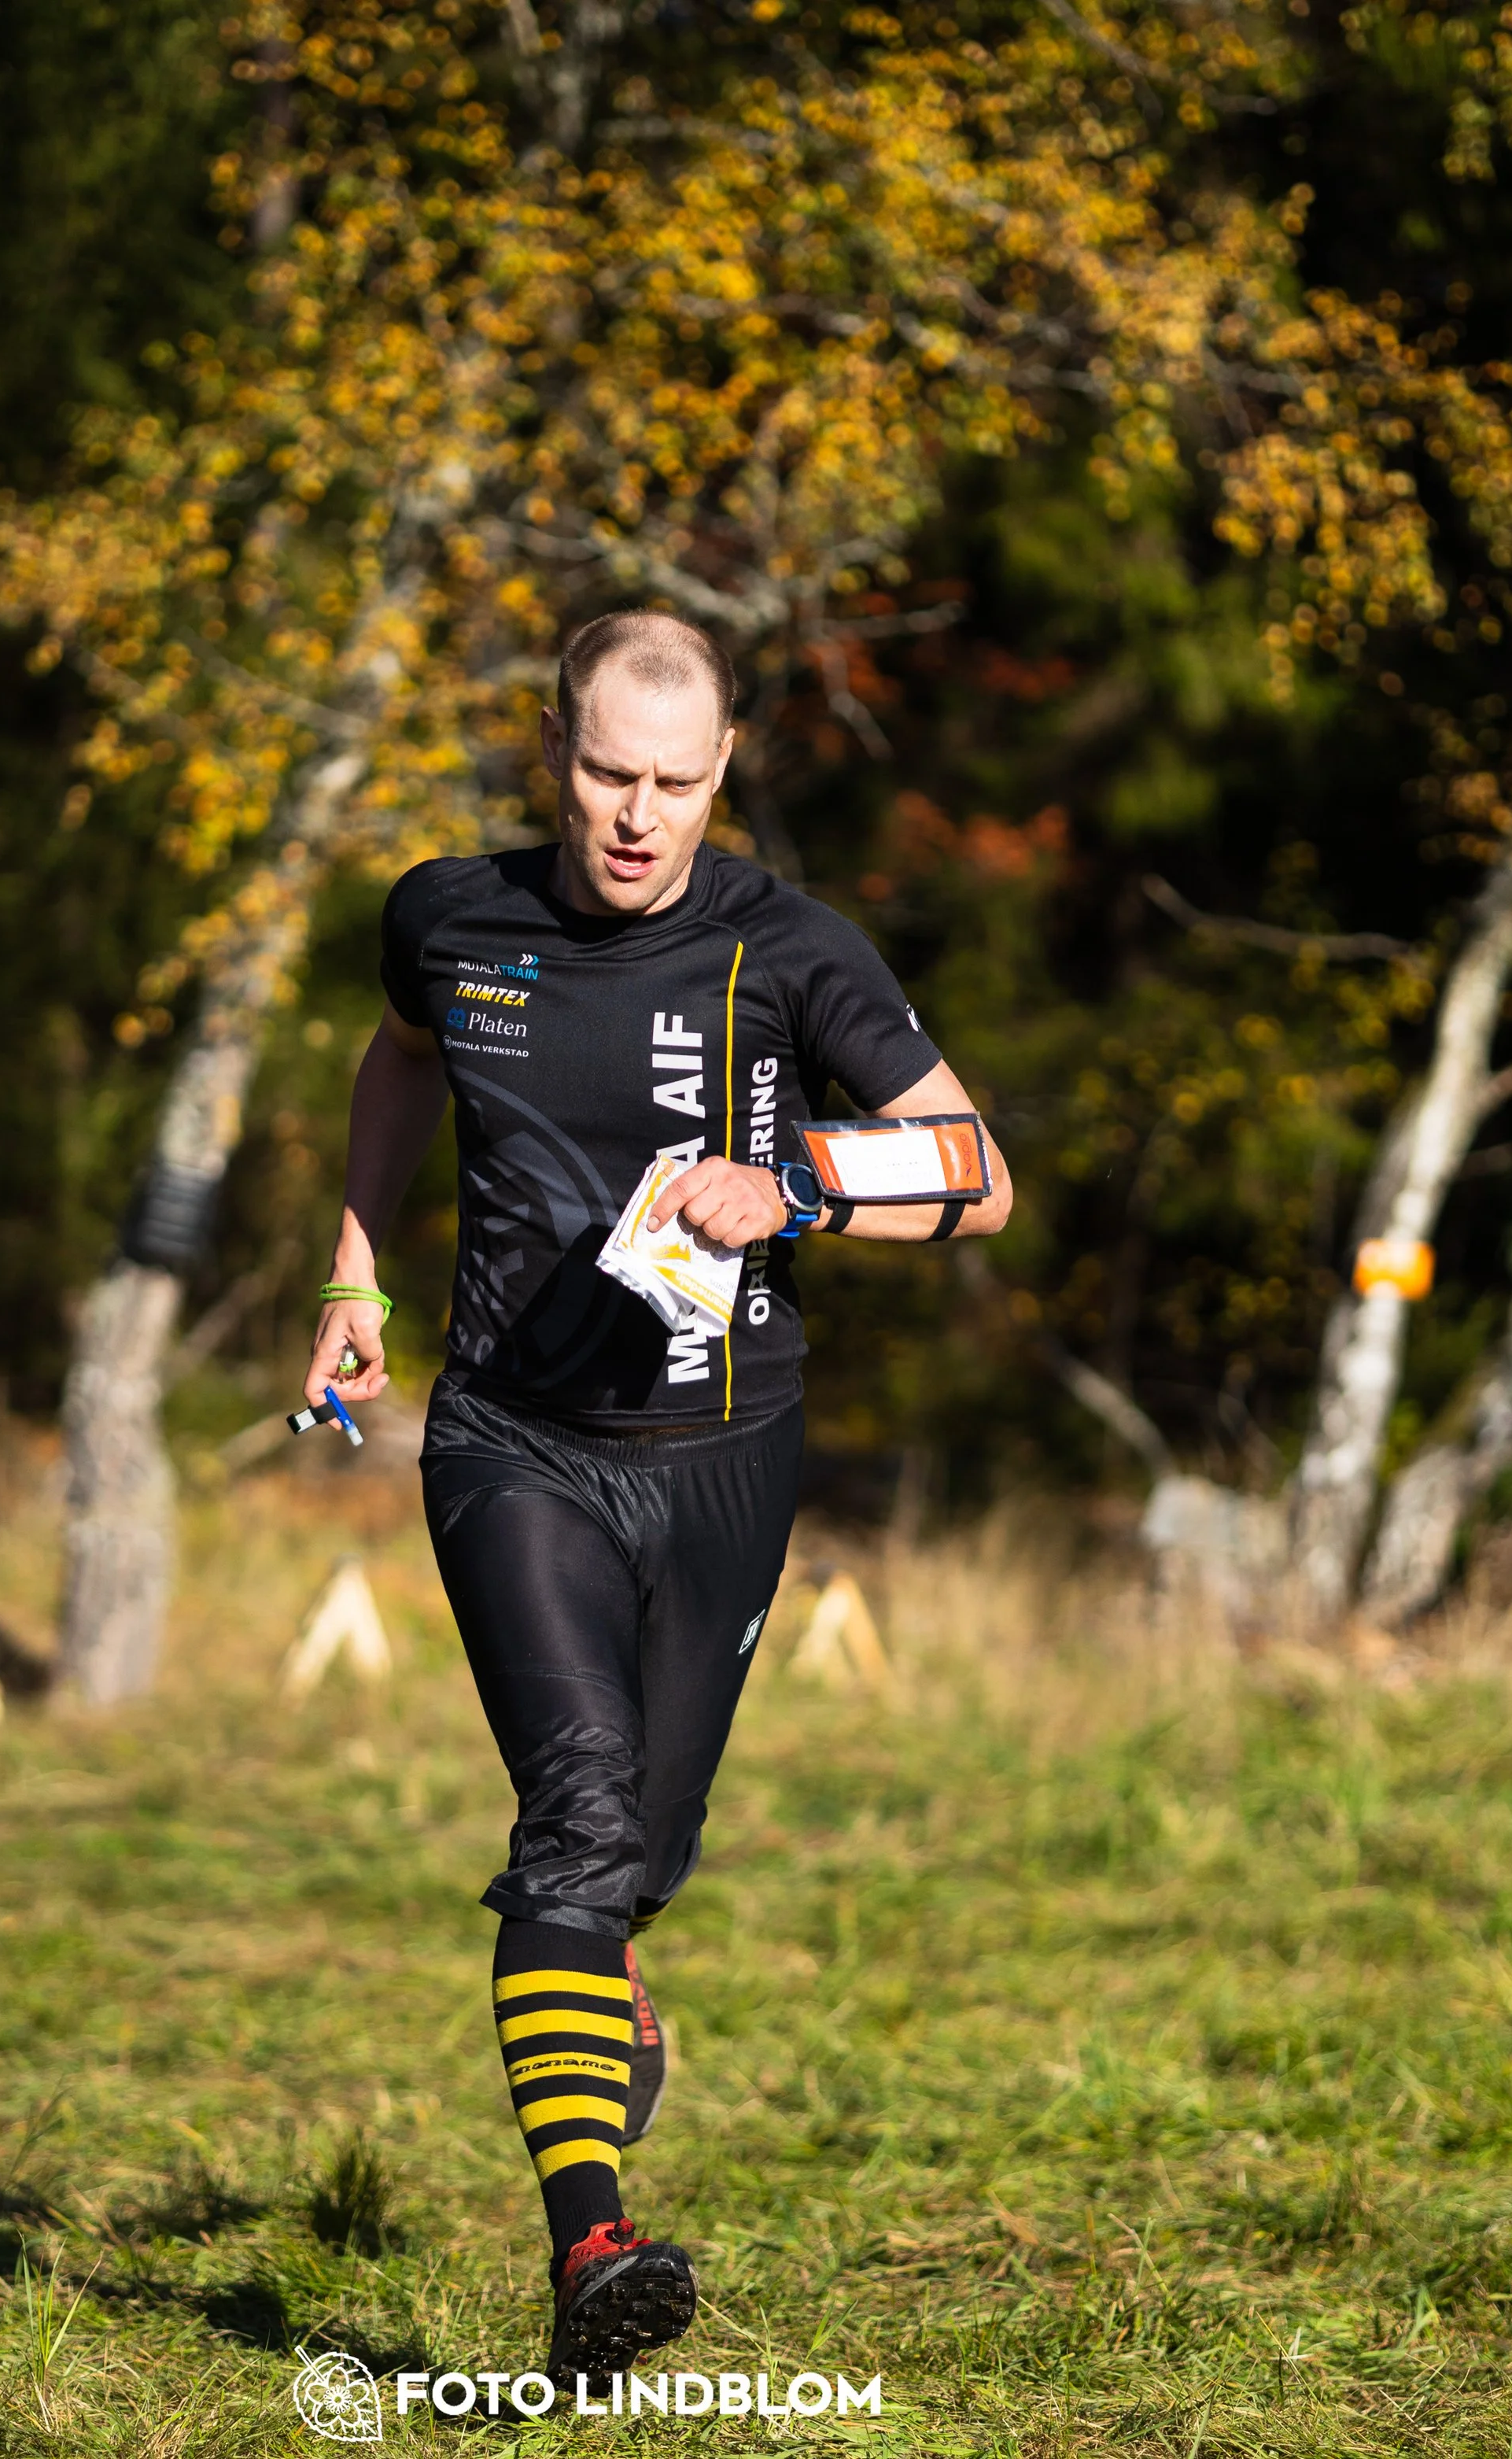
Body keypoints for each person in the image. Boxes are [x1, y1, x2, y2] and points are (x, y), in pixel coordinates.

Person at [303, 609, 1013, 2387]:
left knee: (637, 1861)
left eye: (676, 785)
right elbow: (400, 1059)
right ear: (553, 748)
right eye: (609, 774)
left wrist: (801, 1183)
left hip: (724, 1457)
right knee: (575, 1818)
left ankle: (603, 1984)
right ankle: (592, 2247)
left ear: (721, 774)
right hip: (511, 1440)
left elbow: (977, 1172)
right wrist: (353, 1274)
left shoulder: (791, 946)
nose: (637, 817)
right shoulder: (447, 918)